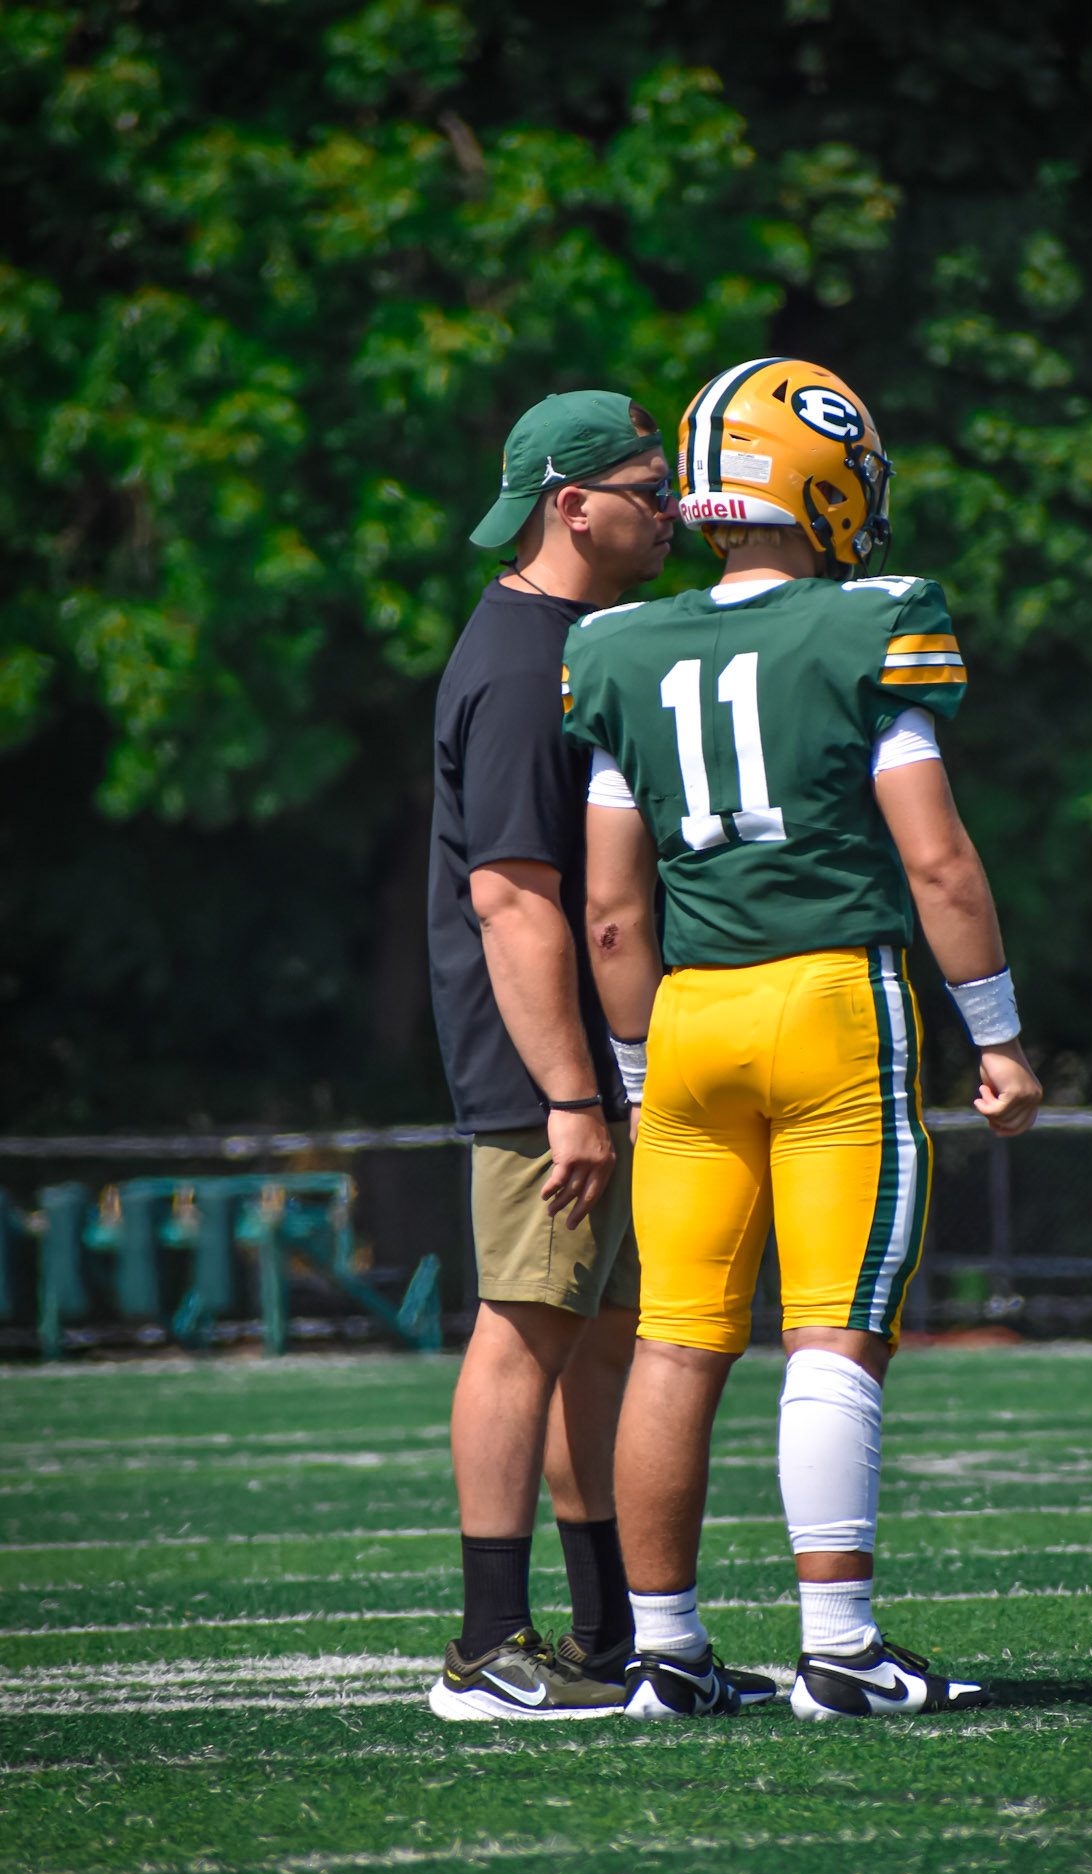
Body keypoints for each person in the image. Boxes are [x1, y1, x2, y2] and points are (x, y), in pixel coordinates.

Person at [563, 356, 1043, 1722]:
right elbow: (937, 863)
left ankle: (667, 1654)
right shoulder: (871, 624)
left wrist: (640, 1069)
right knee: (832, 1334)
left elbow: (611, 913)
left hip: (688, 1017)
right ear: (819, 481)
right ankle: (839, 1647)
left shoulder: (615, 648)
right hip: (833, 1003)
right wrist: (998, 1034)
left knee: (676, 1339)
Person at [425, 389, 677, 1721]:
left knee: (596, 1339)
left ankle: (605, 1641)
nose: (675, 512)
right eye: (651, 490)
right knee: (523, 1328)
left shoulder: (571, 640)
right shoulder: (529, 663)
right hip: (547, 1069)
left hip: (585, 1067)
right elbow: (512, 900)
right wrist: (572, 1093)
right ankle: (484, 1647)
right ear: (572, 506)